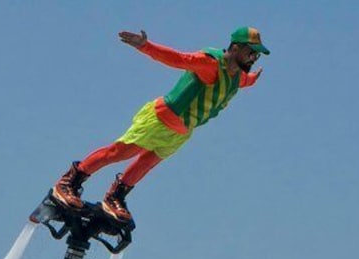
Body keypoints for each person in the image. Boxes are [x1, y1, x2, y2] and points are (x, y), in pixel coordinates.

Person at [51, 26, 270, 223]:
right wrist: (145, 46)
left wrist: (252, 80)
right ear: (236, 47)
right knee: (120, 152)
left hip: (182, 131)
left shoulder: (237, 76)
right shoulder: (210, 63)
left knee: (146, 163)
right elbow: (177, 58)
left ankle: (115, 197)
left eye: (257, 54)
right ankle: (70, 181)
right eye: (251, 52)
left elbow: (243, 82)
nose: (254, 57)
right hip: (160, 118)